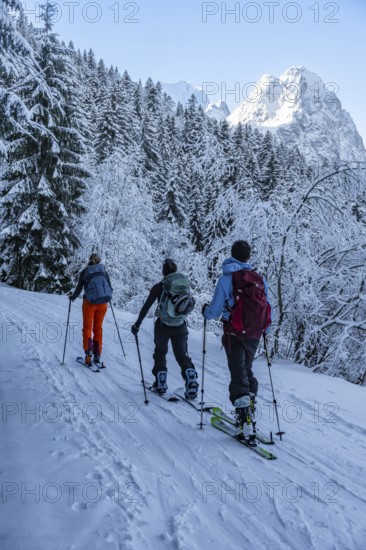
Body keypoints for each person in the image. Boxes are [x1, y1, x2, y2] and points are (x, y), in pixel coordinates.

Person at [202, 240, 271, 440]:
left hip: (234, 332)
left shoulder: (227, 279)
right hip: (255, 333)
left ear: (232, 254)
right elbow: (268, 307)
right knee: (246, 370)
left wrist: (205, 312)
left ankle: (245, 420)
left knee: (238, 372)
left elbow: (214, 311)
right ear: (248, 257)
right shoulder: (259, 278)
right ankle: (249, 412)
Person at [131, 258, 199, 398]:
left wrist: (137, 324)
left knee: (160, 352)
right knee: (181, 355)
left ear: (163, 272)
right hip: (180, 326)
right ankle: (191, 379)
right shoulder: (183, 285)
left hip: (163, 326)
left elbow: (146, 307)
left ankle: (161, 383)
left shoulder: (159, 286)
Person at [69, 253, 113, 365]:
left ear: (89, 261)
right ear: (99, 261)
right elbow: (110, 288)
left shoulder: (84, 272)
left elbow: (79, 289)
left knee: (87, 327)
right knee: (98, 328)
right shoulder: (104, 271)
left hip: (89, 304)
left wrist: (72, 297)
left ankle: (88, 351)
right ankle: (97, 354)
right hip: (103, 304)